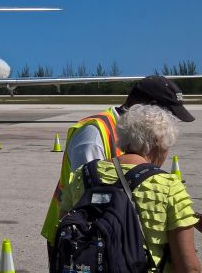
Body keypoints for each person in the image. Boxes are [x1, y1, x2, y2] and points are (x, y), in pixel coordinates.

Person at [41, 75, 196, 261]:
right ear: (151, 109)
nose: (170, 126)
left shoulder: (137, 136)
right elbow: (89, 196)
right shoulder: (94, 132)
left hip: (111, 238)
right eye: (169, 116)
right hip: (81, 240)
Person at [59, 105, 200, 272]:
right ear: (159, 144)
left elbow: (65, 230)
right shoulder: (169, 186)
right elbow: (188, 267)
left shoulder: (82, 175)